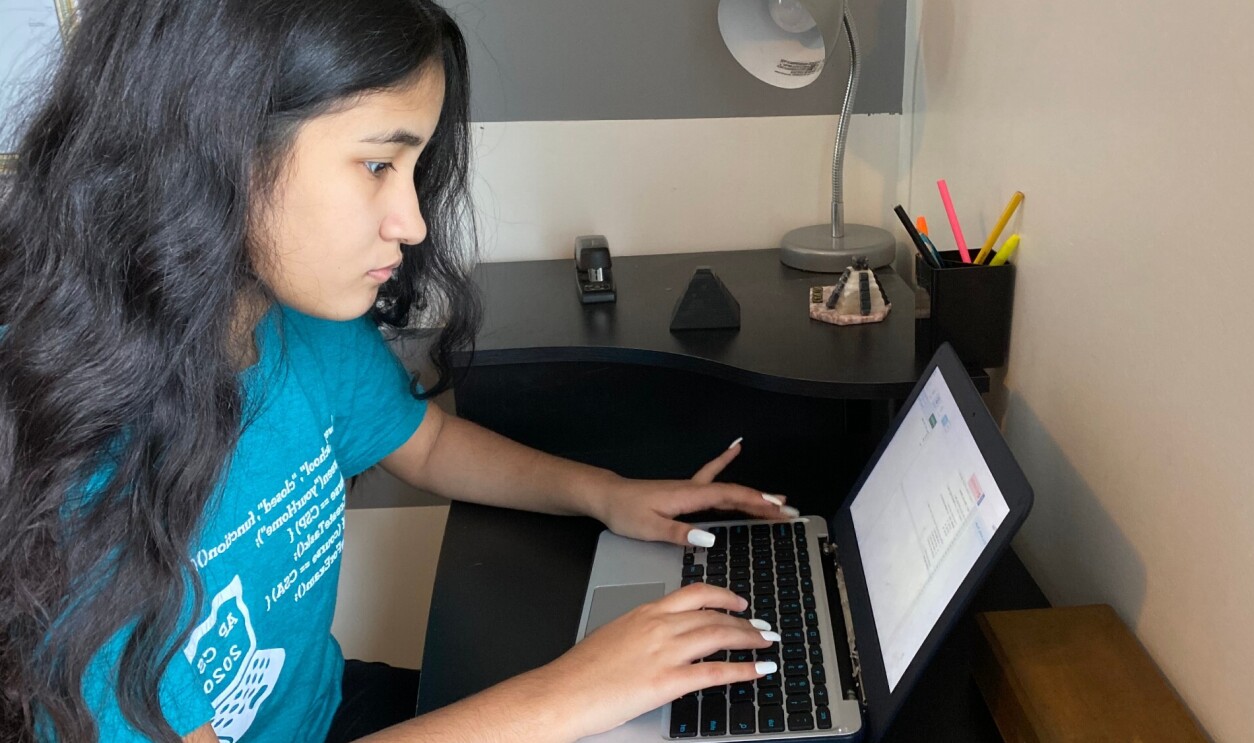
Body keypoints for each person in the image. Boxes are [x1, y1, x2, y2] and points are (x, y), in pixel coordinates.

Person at [0, 1, 802, 741]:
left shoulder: (288, 321)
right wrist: (577, 688)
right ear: (220, 144)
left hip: (323, 712)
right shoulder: (72, 456)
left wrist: (605, 493)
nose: (413, 222)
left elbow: (424, 443)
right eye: (380, 165)